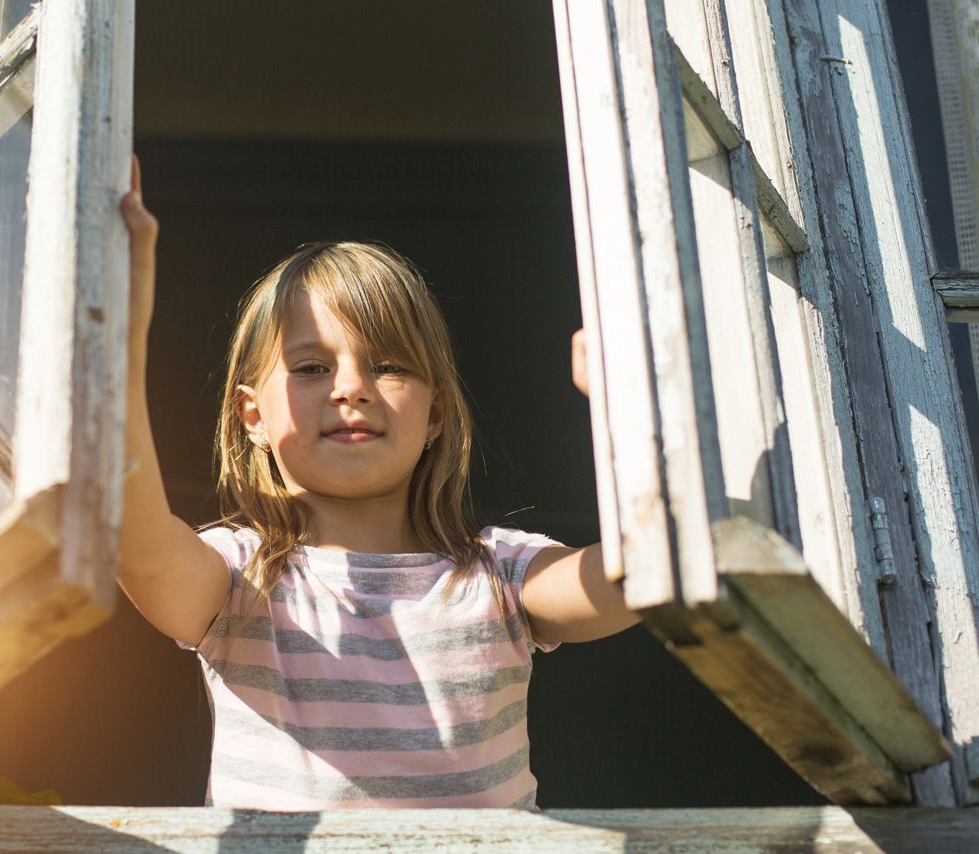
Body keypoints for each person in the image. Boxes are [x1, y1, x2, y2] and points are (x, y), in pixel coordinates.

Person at [115, 155, 639, 810]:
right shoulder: (239, 578)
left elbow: (647, 575)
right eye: (310, 367)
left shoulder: (501, 575)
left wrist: (634, 402)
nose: (352, 389)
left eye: (388, 365)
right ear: (252, 415)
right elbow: (132, 541)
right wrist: (118, 333)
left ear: (435, 415)